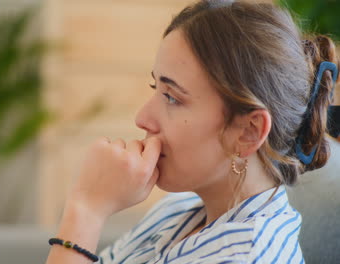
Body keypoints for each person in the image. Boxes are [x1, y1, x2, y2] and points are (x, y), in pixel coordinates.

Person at [45, 0, 339, 263]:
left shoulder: (245, 257)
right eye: (156, 88)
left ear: (249, 131)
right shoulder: (179, 210)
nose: (142, 118)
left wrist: (86, 210)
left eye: (172, 97)